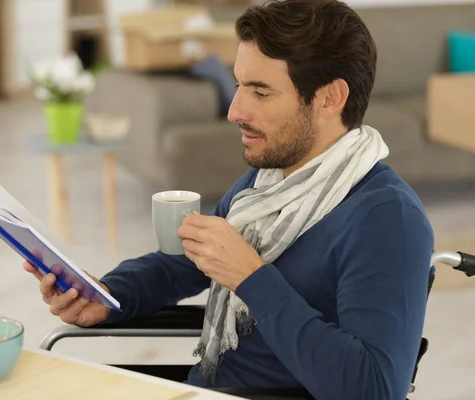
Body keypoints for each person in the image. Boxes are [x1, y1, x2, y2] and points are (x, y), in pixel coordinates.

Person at [24, 0, 434, 398]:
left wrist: (252, 278)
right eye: (239, 85)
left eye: (260, 91)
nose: (235, 110)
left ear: (330, 98)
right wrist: (106, 296)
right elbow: (182, 265)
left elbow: (375, 388)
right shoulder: (270, 179)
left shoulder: (386, 219)